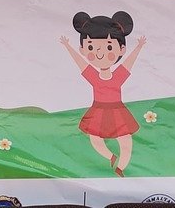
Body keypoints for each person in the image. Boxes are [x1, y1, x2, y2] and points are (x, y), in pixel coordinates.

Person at [59, 10, 146, 176]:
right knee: (95, 138)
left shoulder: (118, 76)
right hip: (98, 110)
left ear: (122, 49)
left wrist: (139, 47)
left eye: (109, 47)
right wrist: (68, 46)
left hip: (117, 110)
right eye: (91, 47)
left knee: (125, 140)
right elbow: (80, 63)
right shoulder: (93, 76)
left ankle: (121, 167)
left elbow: (129, 63)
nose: (99, 53)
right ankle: (111, 156)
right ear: (83, 49)